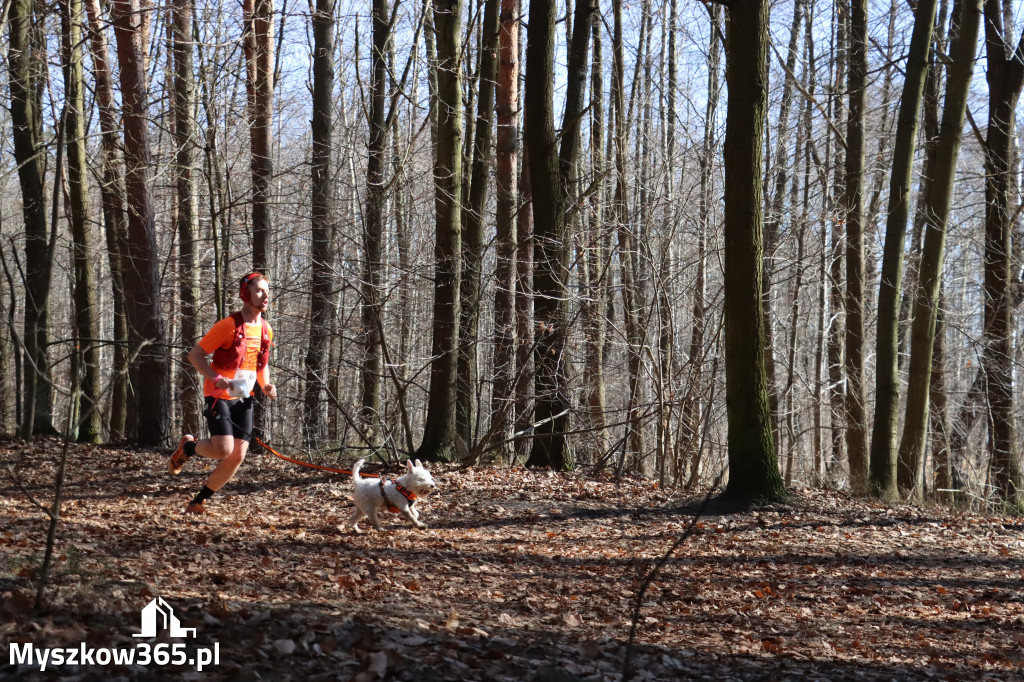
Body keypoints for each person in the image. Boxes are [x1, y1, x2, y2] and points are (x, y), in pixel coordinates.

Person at [169, 272, 278, 514]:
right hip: (219, 395)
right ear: (245, 293)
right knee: (223, 450)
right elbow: (195, 355)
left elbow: (261, 364)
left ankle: (198, 501)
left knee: (237, 455)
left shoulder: (266, 330)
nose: (266, 294)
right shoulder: (228, 325)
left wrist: (266, 385)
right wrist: (215, 378)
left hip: (244, 397)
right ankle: (188, 448)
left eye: (267, 290)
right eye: (259, 290)